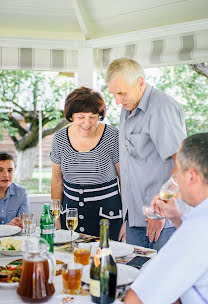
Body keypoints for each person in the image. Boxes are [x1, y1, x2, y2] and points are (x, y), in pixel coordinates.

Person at [106, 57, 187, 250]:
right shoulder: (128, 106)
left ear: (140, 82)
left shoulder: (161, 109)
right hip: (136, 221)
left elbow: (183, 164)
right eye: (114, 94)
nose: (117, 101)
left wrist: (160, 213)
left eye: (121, 93)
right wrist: (128, 217)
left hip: (160, 223)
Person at [124, 133, 208, 304]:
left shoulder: (196, 230)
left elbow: (137, 299)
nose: (175, 180)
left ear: (191, 176)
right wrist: (177, 218)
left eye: (178, 171)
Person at [50, 86, 123, 240]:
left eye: (93, 116)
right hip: (70, 217)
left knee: (104, 260)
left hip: (107, 217)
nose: (87, 123)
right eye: (81, 117)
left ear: (100, 115)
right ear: (71, 116)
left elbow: (125, 179)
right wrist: (55, 217)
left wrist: (128, 219)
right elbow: (57, 181)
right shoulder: (59, 138)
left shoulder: (113, 136)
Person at [0, 152, 30, 227]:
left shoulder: (21, 192)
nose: (6, 175)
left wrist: (19, 224)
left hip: (15, 238)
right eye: (0, 170)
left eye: (10, 170)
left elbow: (24, 223)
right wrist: (7, 227)